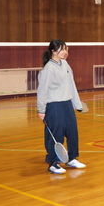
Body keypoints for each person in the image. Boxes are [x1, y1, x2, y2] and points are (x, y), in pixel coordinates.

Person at [37, 39, 86, 174]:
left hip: (67, 104)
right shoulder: (48, 69)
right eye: (63, 49)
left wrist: (77, 104)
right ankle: (53, 162)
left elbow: (71, 85)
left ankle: (72, 158)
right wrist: (41, 110)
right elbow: (42, 91)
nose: (66, 52)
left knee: (72, 131)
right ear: (53, 51)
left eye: (67, 49)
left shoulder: (65, 64)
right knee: (56, 134)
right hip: (54, 105)